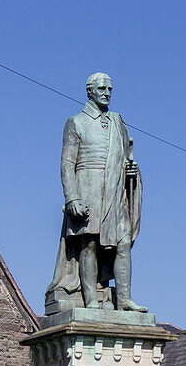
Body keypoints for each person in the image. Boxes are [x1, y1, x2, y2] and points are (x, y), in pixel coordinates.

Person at [46, 72, 146, 312]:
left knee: (123, 242)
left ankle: (124, 299)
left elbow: (124, 157)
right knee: (89, 245)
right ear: (90, 91)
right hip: (87, 188)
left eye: (110, 89)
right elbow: (67, 164)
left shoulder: (117, 122)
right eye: (102, 89)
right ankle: (91, 300)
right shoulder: (75, 122)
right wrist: (72, 197)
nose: (107, 93)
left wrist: (131, 170)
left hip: (115, 190)